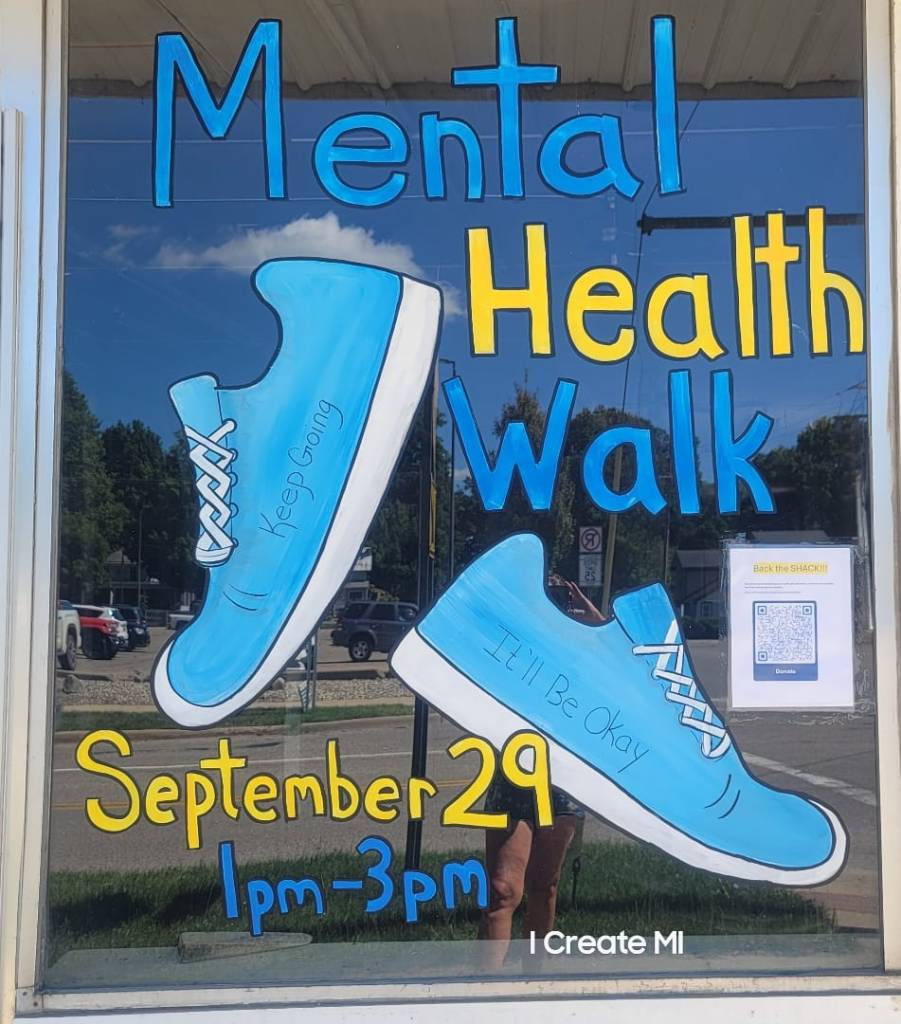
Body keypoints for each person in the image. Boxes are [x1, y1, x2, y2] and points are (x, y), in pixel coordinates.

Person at [478, 576, 604, 969]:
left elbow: (619, 663)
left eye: (561, 604)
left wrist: (591, 615)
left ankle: (534, 982)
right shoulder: (513, 648)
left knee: (543, 887)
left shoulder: (579, 654)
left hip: (561, 781)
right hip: (513, 777)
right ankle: (485, 996)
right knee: (502, 890)